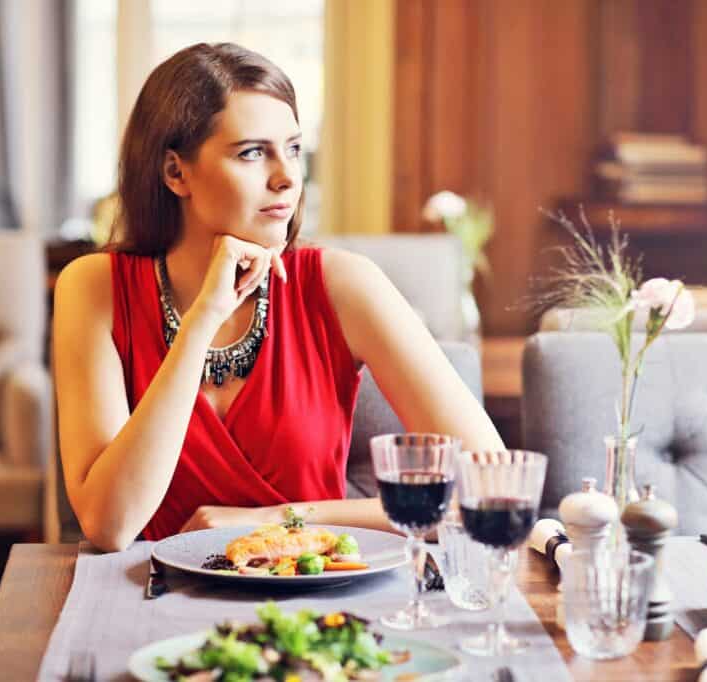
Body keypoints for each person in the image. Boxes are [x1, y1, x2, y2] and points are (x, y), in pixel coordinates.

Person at [53, 43, 504, 552]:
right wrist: (203, 318)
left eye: (292, 148)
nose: (288, 176)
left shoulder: (344, 284)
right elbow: (109, 525)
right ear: (176, 173)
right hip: (149, 603)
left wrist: (276, 521)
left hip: (319, 605)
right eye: (252, 152)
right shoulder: (93, 288)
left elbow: (489, 487)